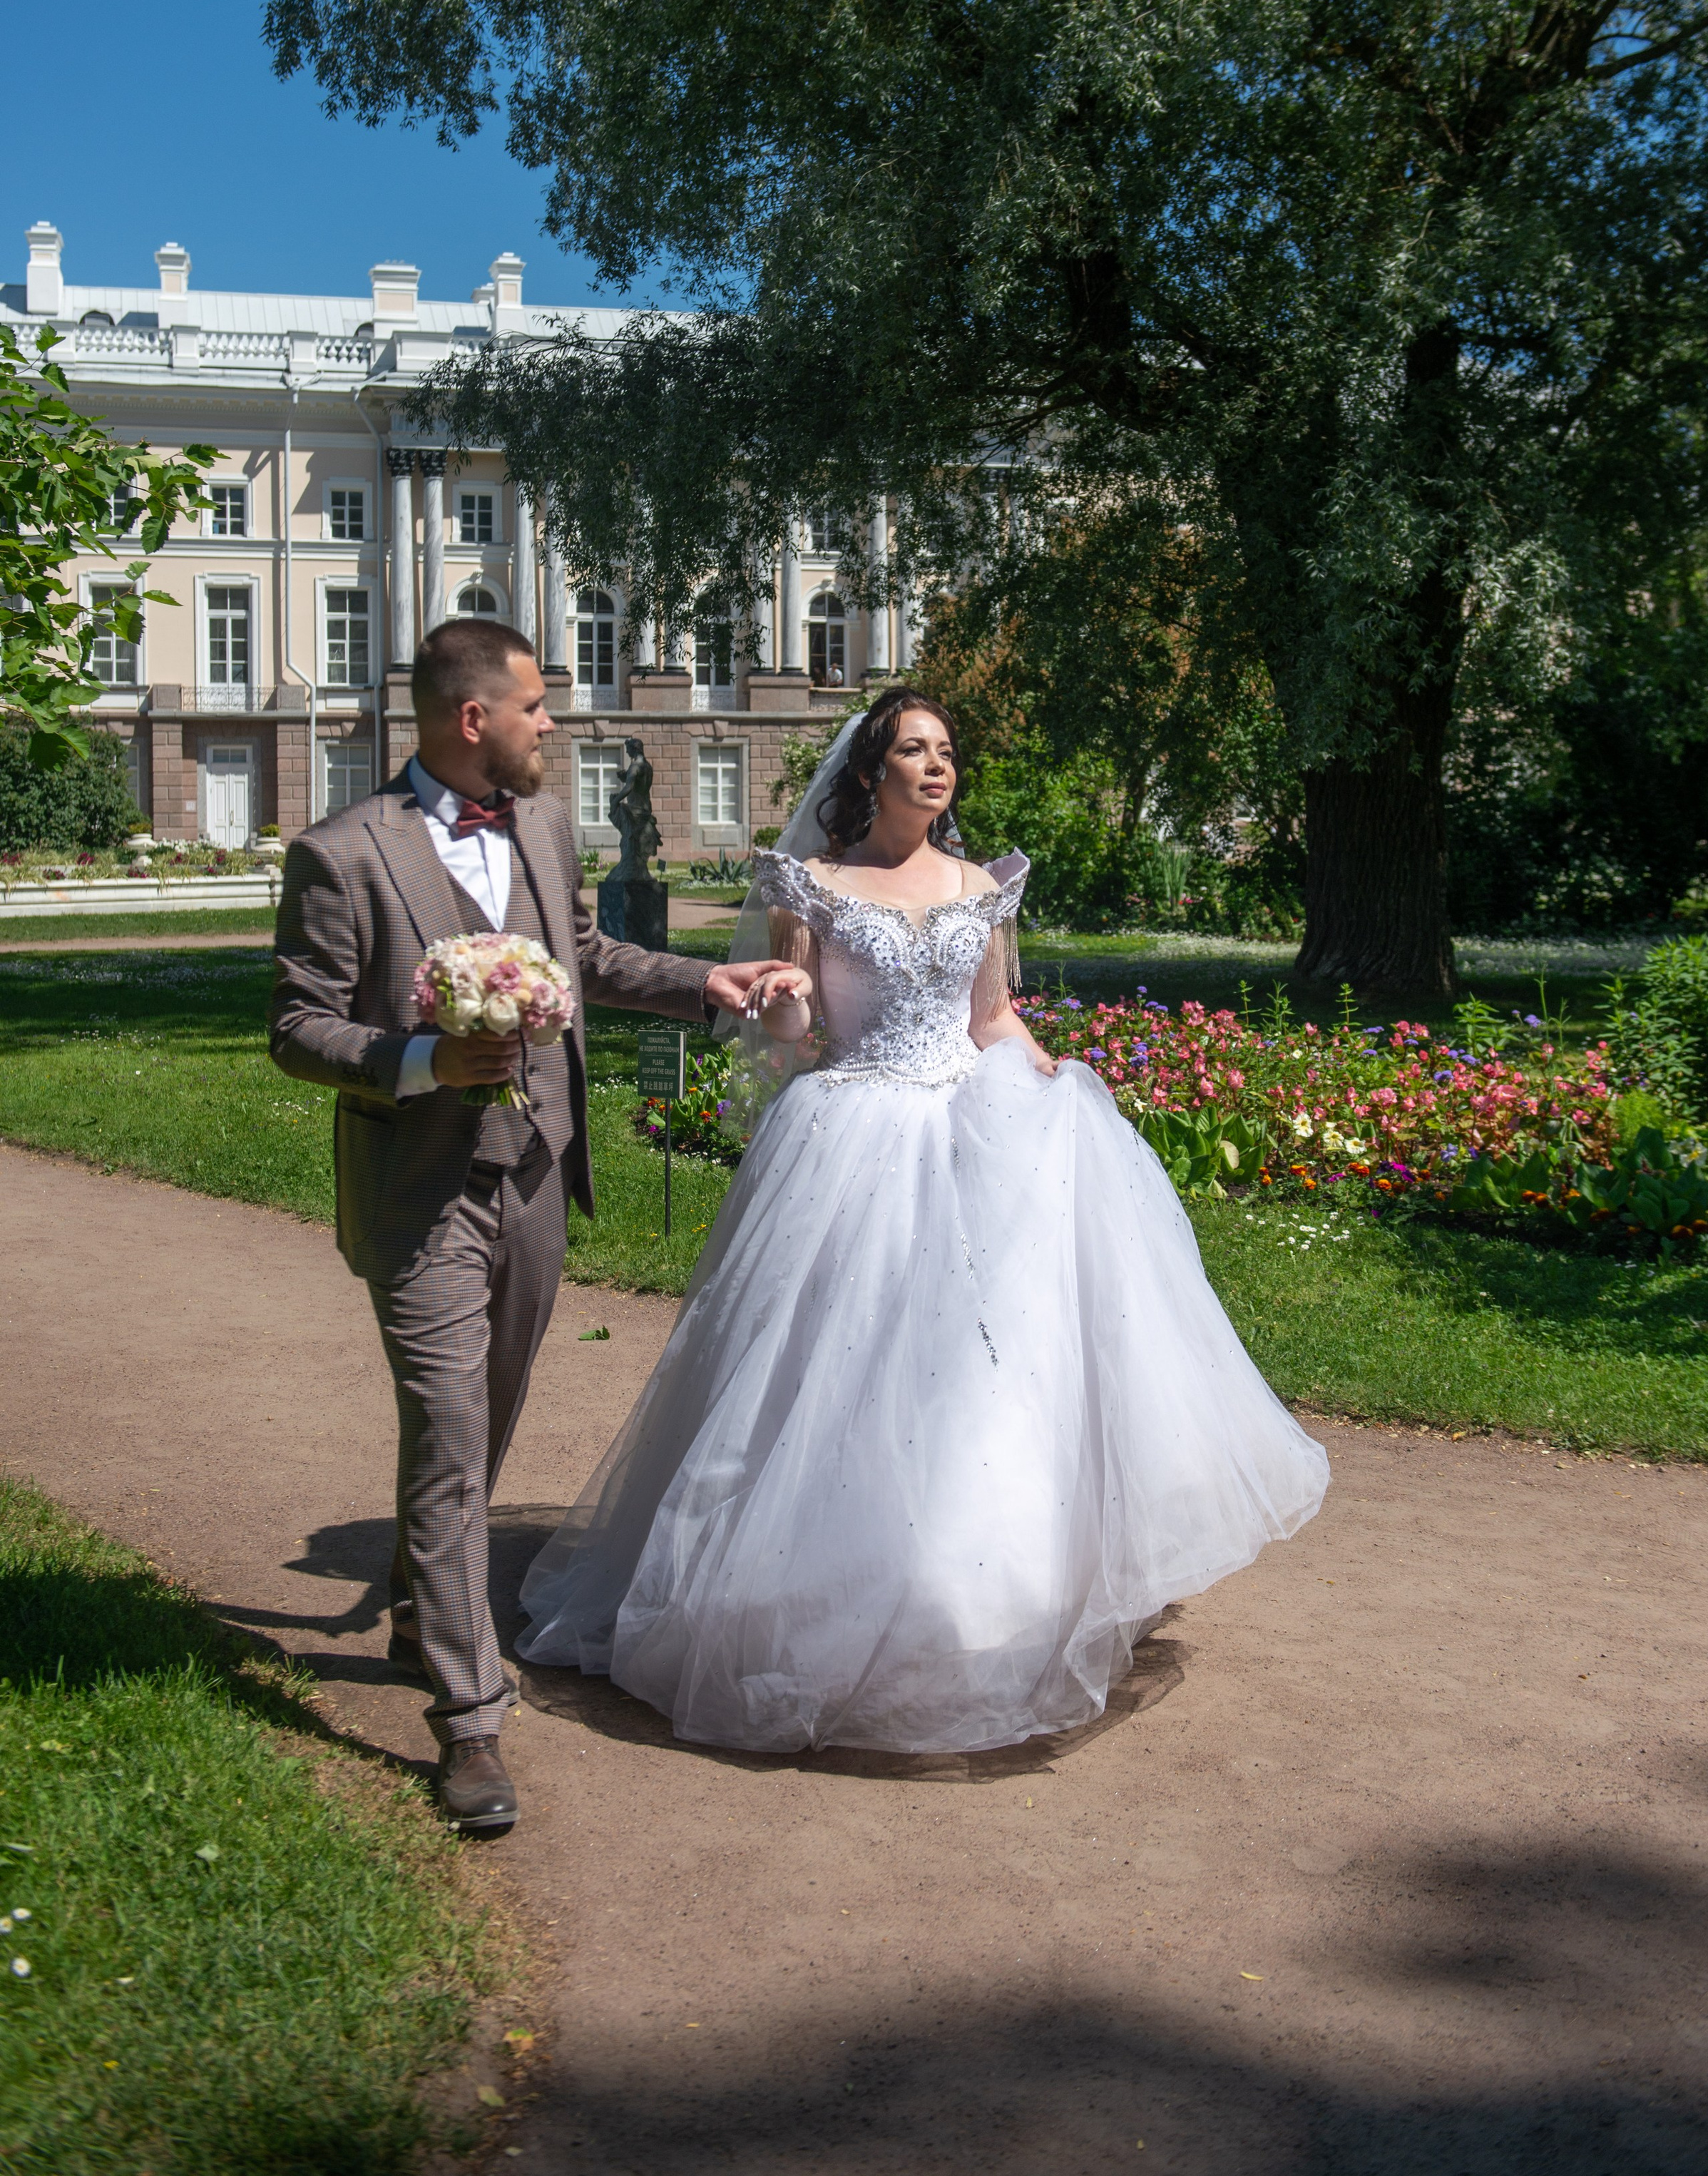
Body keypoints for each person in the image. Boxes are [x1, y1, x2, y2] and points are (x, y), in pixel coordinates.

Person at [518, 686, 1328, 1754]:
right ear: (871, 772)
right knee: (833, 1368)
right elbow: (800, 1026)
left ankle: (992, 1593)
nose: (937, 767)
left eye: (946, 751)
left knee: (984, 1374)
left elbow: (992, 1018)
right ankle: (812, 1580)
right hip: (854, 1131)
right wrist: (783, 1005)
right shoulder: (809, 882)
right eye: (914, 749)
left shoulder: (982, 886)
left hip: (975, 1125)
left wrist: (1060, 1084)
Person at [269, 618, 808, 1829]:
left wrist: (702, 982)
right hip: (418, 1194)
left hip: (535, 1174)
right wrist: (421, 1058)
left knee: (492, 1415)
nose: (551, 726)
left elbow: (588, 956)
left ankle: (420, 1594)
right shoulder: (343, 855)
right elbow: (297, 1030)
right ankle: (469, 1722)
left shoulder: (545, 826)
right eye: (537, 708)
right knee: (452, 1437)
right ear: (476, 720)